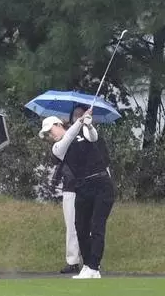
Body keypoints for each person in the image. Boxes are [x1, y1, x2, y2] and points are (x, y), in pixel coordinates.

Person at [40, 106, 115, 279]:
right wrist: (80, 121)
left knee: (97, 226)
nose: (51, 136)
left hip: (101, 183)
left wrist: (88, 125)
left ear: (59, 125)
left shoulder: (83, 131)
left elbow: (93, 137)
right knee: (80, 227)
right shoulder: (58, 147)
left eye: (50, 131)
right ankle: (88, 266)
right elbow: (68, 137)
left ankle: (94, 267)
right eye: (48, 135)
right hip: (82, 186)